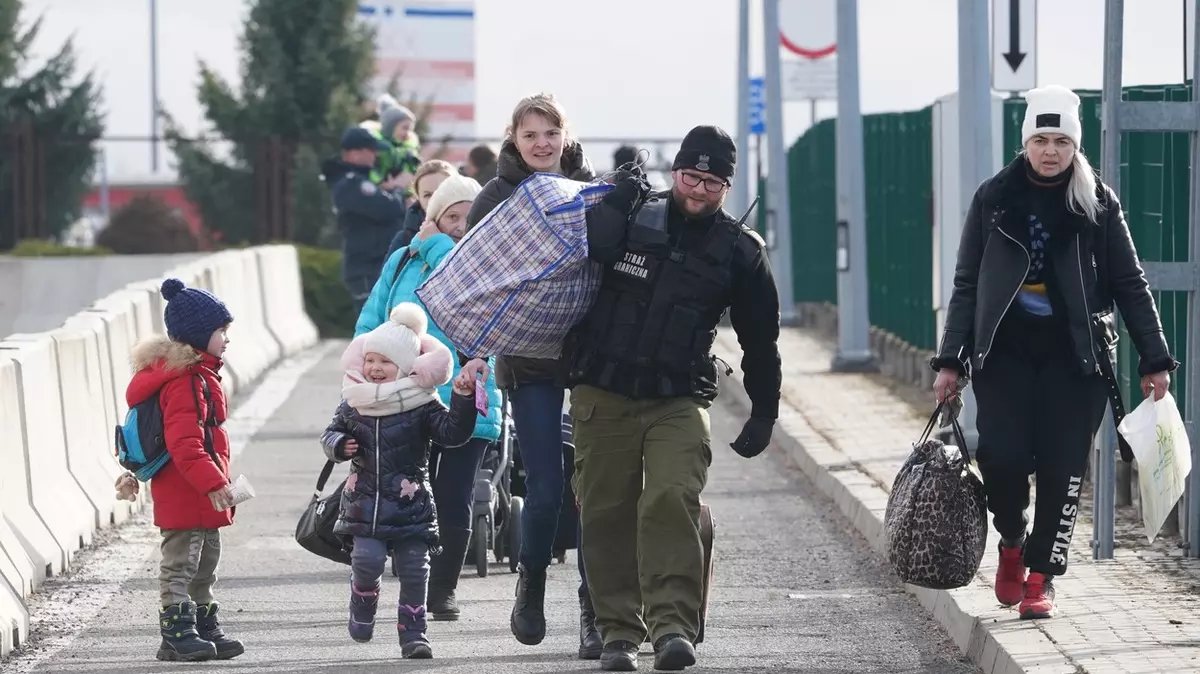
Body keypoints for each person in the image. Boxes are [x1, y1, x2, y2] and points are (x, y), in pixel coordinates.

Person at [931, 85, 1177, 620]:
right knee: (1004, 458)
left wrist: (1155, 359)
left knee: (1066, 467)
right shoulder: (993, 199)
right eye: (1040, 139)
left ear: (1075, 146)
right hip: (1005, 354)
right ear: (1025, 143)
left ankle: (1041, 577)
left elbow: (1130, 283)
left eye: (1061, 141)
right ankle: (1012, 542)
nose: (1049, 151)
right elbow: (968, 282)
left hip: (1076, 356)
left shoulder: (1097, 203)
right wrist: (951, 360)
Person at [565, 125, 782, 672]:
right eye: (690, 176)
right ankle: (617, 632)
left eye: (712, 181)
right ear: (674, 172)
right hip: (603, 391)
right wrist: (616, 201)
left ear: (728, 186)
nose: (698, 190)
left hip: (677, 398)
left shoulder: (741, 252)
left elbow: (761, 339)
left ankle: (672, 629)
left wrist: (765, 410)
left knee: (670, 496)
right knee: (606, 510)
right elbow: (583, 252)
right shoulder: (633, 216)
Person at [465, 92, 601, 659]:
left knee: (597, 490)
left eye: (551, 133)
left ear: (565, 137)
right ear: (514, 141)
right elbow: (469, 277)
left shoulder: (594, 194)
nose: (542, 144)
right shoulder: (496, 197)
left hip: (593, 358)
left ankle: (596, 611)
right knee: (545, 485)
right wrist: (471, 353)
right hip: (529, 360)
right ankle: (532, 584)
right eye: (531, 135)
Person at [356, 174, 501, 622]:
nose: (460, 224)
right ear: (433, 217)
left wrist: (435, 243)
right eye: (450, 216)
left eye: (468, 216)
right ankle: (411, 585)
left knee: (454, 496)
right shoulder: (403, 261)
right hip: (403, 402)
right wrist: (363, 375)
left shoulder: (489, 260)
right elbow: (370, 324)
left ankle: (442, 591)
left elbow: (457, 279)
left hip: (464, 400)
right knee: (407, 494)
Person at [321, 303, 481, 658]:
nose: (375, 368)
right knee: (366, 561)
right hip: (365, 502)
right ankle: (362, 602)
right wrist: (338, 445)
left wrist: (464, 399)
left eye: (385, 362)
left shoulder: (422, 403)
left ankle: (414, 635)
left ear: (406, 367)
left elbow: (452, 434)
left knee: (414, 569)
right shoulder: (354, 402)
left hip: (411, 504)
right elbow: (329, 434)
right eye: (371, 360)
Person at [123, 278, 243, 662]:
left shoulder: (202, 376)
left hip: (202, 490)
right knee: (180, 565)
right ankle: (175, 634)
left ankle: (204, 626)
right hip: (185, 490)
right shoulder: (185, 382)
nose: (226, 339)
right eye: (221, 331)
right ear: (197, 335)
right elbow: (185, 443)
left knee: (205, 563)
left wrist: (215, 483)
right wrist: (213, 483)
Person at [320, 127, 407, 312]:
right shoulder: (350, 184)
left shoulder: (357, 181)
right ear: (353, 153)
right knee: (374, 324)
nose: (374, 155)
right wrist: (397, 192)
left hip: (374, 264)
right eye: (370, 150)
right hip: (366, 267)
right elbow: (388, 209)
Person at [384, 159, 456, 260]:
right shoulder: (404, 240)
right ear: (418, 198)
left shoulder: (472, 232)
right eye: (427, 195)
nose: (434, 200)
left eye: (442, 191)